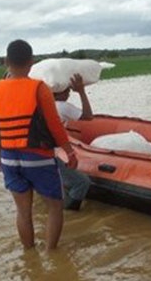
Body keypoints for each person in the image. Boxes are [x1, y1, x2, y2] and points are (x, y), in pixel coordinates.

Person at [0, 39, 79, 250]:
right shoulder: (39, 88)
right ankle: (51, 254)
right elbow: (55, 125)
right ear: (31, 62)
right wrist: (69, 151)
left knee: (23, 212)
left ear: (5, 61)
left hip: (9, 158)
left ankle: (30, 257)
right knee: (55, 207)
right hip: (38, 157)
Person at [53, 73, 93, 211]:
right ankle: (70, 213)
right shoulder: (62, 106)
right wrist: (81, 92)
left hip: (37, 153)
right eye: (67, 90)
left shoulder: (44, 104)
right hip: (48, 155)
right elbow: (88, 116)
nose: (69, 93)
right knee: (82, 182)